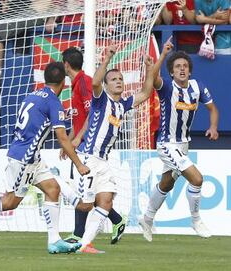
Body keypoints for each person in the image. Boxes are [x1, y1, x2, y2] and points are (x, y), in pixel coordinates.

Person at [0, 62, 91, 254]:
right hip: (25, 158)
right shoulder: (53, 102)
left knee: (53, 189)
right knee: (10, 202)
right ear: (63, 82)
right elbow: (63, 139)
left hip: (32, 156)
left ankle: (54, 240)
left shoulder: (32, 96)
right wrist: (79, 164)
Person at [70, 44, 156, 254]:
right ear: (107, 85)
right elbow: (96, 82)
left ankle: (85, 244)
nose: (118, 82)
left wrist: (149, 69)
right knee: (85, 204)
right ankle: (77, 232)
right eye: (114, 79)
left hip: (103, 161)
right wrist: (106, 59)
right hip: (88, 158)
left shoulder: (123, 104)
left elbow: (145, 93)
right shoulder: (101, 100)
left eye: (120, 79)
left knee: (106, 201)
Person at [139, 40, 219, 241]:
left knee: (167, 184)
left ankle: (147, 218)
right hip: (167, 144)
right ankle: (196, 220)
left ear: (190, 71)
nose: (182, 69)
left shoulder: (197, 87)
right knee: (197, 178)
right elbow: (153, 77)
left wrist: (213, 127)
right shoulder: (166, 87)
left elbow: (213, 108)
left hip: (183, 145)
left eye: (185, 66)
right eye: (177, 67)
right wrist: (164, 54)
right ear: (172, 72)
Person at [60, 47, 127, 245]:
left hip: (89, 146)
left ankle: (78, 237)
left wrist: (78, 138)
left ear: (66, 64)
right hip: (83, 144)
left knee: (83, 192)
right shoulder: (77, 83)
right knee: (90, 193)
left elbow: (92, 115)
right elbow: (80, 119)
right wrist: (70, 139)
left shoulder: (84, 83)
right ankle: (115, 221)